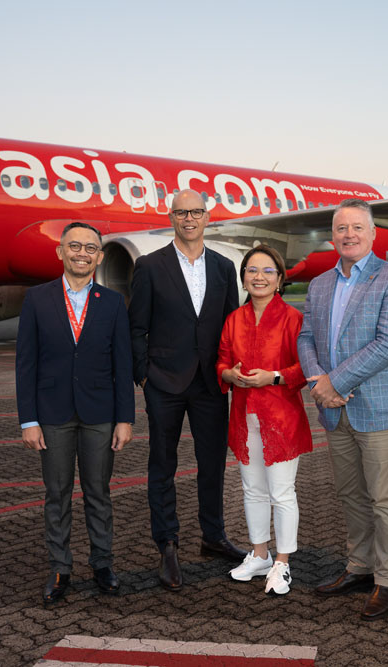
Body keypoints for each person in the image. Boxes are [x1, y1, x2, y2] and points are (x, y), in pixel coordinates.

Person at [297, 198, 388, 621]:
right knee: (349, 494)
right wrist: (317, 381)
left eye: (357, 228)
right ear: (332, 236)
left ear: (372, 234)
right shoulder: (320, 284)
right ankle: (360, 566)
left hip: (376, 407)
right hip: (334, 407)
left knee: (384, 498)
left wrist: (335, 382)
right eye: (341, 228)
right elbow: (306, 336)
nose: (348, 235)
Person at [128, 189, 246, 593]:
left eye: (196, 211)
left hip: (211, 382)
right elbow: (136, 326)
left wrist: (229, 369)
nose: (189, 218)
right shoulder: (149, 265)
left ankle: (213, 536)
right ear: (172, 217)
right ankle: (168, 543)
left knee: (212, 463)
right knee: (162, 465)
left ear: (207, 216)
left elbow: (231, 325)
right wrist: (143, 374)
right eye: (182, 212)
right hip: (164, 382)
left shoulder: (223, 266)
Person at [15, 221, 134, 606]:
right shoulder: (37, 299)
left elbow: (123, 364)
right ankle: (59, 568)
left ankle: (102, 564)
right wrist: (28, 420)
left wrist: (125, 418)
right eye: (75, 246)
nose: (82, 253)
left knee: (98, 493)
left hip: (100, 413)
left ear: (99, 256)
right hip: (52, 414)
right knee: (57, 495)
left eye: (90, 248)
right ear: (60, 252)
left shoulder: (113, 302)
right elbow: (26, 364)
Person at [216, 245, 313, 595]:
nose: (258, 276)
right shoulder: (234, 319)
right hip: (244, 417)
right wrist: (229, 375)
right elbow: (222, 362)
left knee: (282, 492)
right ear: (243, 277)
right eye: (252, 270)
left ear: (280, 279)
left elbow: (305, 368)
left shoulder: (293, 319)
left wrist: (272, 377)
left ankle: (283, 562)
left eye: (267, 271)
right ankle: (259, 554)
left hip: (281, 418)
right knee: (252, 489)